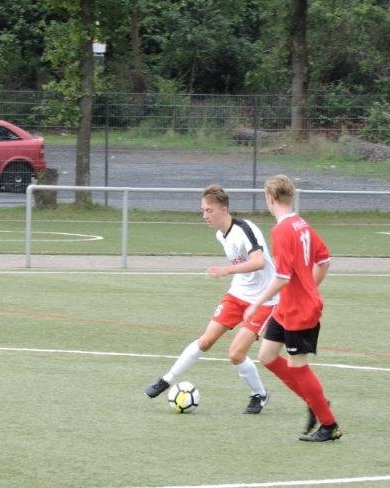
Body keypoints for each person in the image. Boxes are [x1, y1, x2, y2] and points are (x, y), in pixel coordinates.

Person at [144, 185, 274, 414]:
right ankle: (166, 380)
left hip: (264, 299)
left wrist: (226, 270)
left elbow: (258, 262)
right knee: (205, 341)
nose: (205, 215)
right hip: (238, 294)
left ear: (224, 210)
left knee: (235, 354)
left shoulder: (245, 229)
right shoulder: (220, 234)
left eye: (209, 210)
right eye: (203, 211)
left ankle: (259, 394)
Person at [244, 174, 342, 442]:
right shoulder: (301, 224)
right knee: (267, 356)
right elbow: (324, 261)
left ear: (270, 198)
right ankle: (315, 401)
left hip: (299, 309)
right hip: (287, 306)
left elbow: (282, 277)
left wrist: (256, 303)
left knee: (298, 366)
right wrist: (310, 287)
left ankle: (329, 425)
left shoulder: (282, 230)